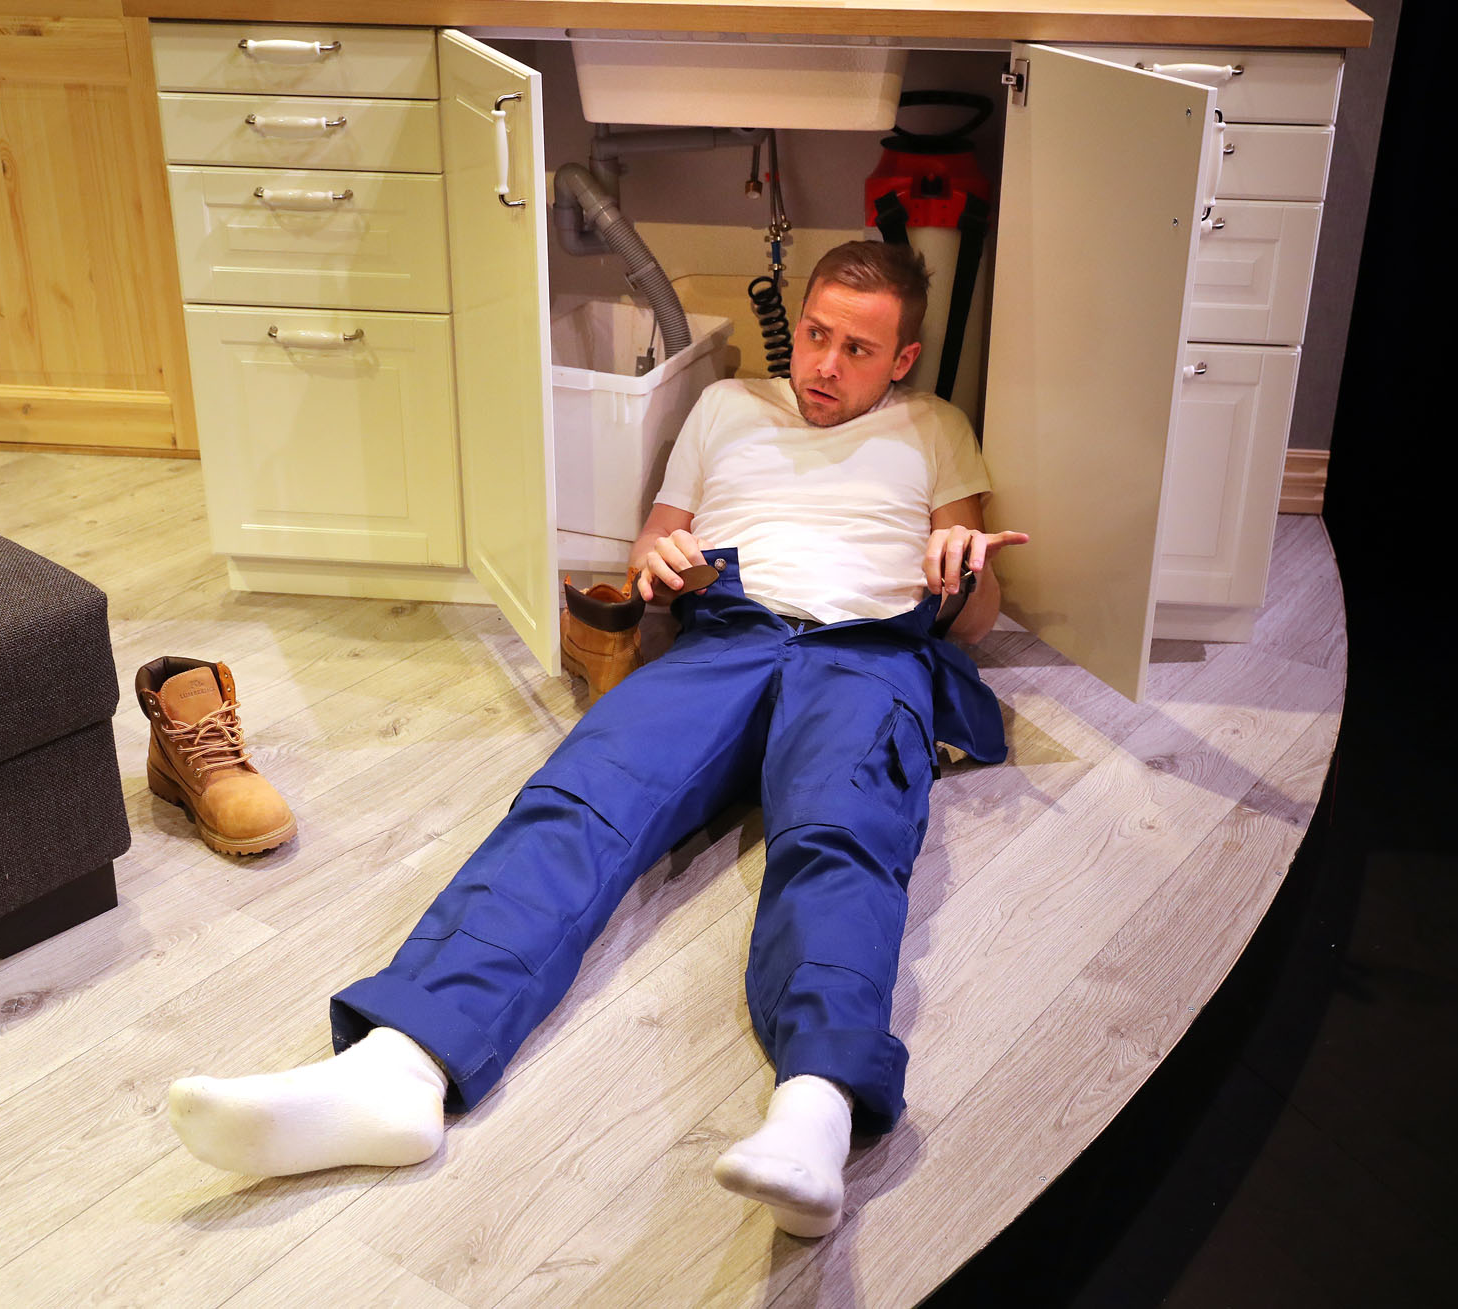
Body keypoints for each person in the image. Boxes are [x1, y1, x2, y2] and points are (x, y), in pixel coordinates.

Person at [166, 240, 1029, 1238]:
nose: (824, 364)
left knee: (842, 838)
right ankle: (399, 1066)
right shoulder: (726, 407)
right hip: (730, 632)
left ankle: (815, 1112)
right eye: (815, 334)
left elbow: (972, 624)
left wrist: (963, 570)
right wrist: (666, 562)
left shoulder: (933, 428)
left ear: (903, 359)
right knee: (579, 800)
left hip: (865, 649)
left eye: (858, 349)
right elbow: (652, 546)